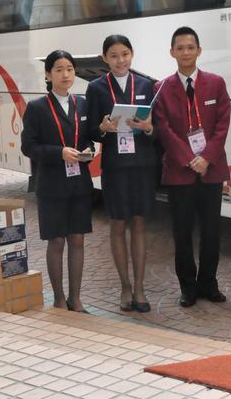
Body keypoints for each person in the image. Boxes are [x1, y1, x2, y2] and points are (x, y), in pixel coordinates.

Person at [152, 27, 231, 308]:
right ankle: (188, 288)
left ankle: (209, 284)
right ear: (172, 52)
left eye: (191, 47)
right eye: (180, 48)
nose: (186, 52)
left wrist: (206, 157)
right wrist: (189, 158)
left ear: (199, 51)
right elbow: (163, 129)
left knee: (212, 232)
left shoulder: (216, 83)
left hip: (210, 171)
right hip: (179, 172)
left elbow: (222, 125)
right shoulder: (161, 88)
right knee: (182, 233)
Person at [86, 35, 159, 313]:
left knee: (140, 223)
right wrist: (103, 129)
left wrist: (150, 126)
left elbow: (157, 129)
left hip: (142, 164)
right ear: (105, 58)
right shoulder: (96, 89)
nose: (121, 60)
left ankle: (140, 287)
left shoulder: (146, 85)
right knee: (118, 224)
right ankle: (124, 286)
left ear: (132, 55)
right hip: (115, 166)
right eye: (114, 55)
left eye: (125, 54)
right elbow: (92, 131)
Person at [21, 50, 94, 313]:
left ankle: (76, 298)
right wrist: (58, 153)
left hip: (79, 184)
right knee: (57, 241)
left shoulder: (82, 104)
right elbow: (28, 147)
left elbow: (87, 138)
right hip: (51, 184)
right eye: (60, 69)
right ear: (48, 74)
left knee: (77, 239)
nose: (66, 75)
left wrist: (90, 151)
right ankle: (59, 298)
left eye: (70, 69)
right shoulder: (37, 107)